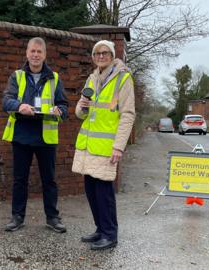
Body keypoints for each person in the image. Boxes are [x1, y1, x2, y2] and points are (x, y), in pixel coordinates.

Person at [72, 40, 136, 250]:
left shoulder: (123, 78)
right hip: (89, 145)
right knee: (90, 190)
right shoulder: (92, 78)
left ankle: (110, 234)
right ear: (93, 56)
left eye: (105, 53)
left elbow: (127, 115)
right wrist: (81, 106)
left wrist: (119, 146)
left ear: (112, 55)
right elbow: (82, 114)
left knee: (104, 192)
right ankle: (100, 229)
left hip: (107, 147)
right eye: (97, 53)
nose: (101, 56)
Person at [2, 37, 68, 233]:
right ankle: (17, 217)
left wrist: (59, 111)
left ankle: (53, 218)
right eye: (33, 51)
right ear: (27, 53)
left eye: (39, 51)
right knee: (19, 179)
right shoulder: (17, 76)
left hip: (46, 137)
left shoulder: (55, 78)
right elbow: (6, 101)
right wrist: (19, 106)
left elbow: (64, 105)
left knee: (49, 180)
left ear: (45, 55)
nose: (36, 55)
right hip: (22, 135)